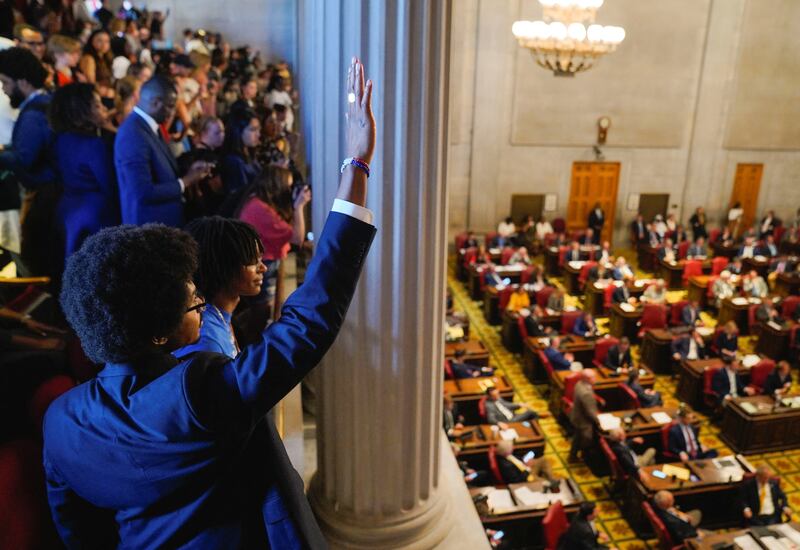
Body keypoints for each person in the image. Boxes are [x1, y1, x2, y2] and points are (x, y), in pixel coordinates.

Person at [43, 56, 377, 550]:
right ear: (158, 332)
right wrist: (357, 162)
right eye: (190, 298)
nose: (200, 297)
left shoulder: (60, 420)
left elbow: (77, 532)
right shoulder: (197, 396)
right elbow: (310, 321)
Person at [114, 75, 211, 226]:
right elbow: (142, 191)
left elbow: (162, 168)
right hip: (148, 228)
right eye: (171, 106)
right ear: (155, 102)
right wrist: (185, 182)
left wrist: (188, 170)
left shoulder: (151, 126)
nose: (173, 112)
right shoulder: (132, 134)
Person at [172, 216, 267, 362]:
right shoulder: (206, 341)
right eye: (253, 261)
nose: (263, 268)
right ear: (223, 267)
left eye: (261, 259)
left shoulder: (219, 315)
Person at [232, 166, 311, 337]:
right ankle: (251, 346)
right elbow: (296, 238)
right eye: (288, 186)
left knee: (262, 310)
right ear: (277, 185)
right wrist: (299, 207)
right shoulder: (260, 209)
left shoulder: (258, 201)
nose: (289, 191)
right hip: (262, 263)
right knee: (262, 311)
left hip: (263, 261)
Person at [0, 47, 57, 276]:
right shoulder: (46, 103)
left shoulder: (34, 113)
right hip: (50, 194)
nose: (4, 90)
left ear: (22, 82)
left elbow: (26, 159)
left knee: (34, 262)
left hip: (44, 197)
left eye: (5, 82)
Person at [49, 83, 119, 258]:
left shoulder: (62, 138)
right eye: (97, 105)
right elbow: (110, 187)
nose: (104, 108)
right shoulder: (94, 145)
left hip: (69, 209)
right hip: (97, 215)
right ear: (81, 111)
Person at [221, 108, 262, 193]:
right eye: (253, 130)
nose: (258, 134)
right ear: (238, 131)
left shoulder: (249, 153)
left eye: (258, 130)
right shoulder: (233, 161)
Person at [569, 369, 599, 462]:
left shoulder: (579, 383)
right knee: (586, 441)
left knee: (577, 438)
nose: (596, 379)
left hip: (576, 416)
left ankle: (572, 456)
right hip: (584, 421)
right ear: (588, 379)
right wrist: (599, 422)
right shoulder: (586, 393)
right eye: (594, 377)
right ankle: (584, 457)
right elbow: (590, 412)